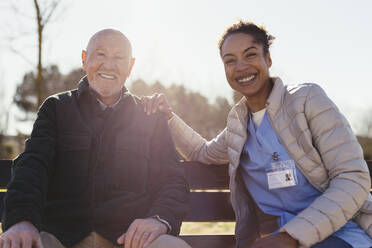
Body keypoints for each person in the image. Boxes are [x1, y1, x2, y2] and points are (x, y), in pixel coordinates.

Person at [142, 21, 372, 248]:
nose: (240, 66)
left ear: (268, 59)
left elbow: (353, 178)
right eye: (229, 61)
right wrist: (168, 116)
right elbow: (202, 152)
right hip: (274, 240)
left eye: (250, 55)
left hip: (341, 233)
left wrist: (290, 236)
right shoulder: (238, 125)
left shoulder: (307, 100)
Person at [0, 29, 190, 248]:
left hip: (129, 239)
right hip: (61, 236)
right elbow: (33, 166)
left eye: (119, 57)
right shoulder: (57, 108)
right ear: (84, 59)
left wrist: (158, 219)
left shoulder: (150, 117)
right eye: (100, 54)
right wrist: (22, 219)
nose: (109, 65)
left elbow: (173, 179)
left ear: (130, 66)